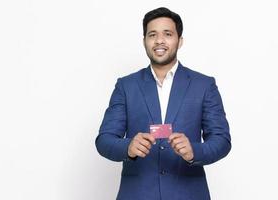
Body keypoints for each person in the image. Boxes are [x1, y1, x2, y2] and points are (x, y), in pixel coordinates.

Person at [95, 7, 231, 200]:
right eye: (152, 35)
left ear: (179, 40)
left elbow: (222, 140)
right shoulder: (126, 86)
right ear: (144, 42)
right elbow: (104, 140)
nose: (159, 40)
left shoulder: (204, 85)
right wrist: (128, 147)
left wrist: (195, 150)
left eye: (167, 34)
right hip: (138, 194)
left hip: (188, 194)